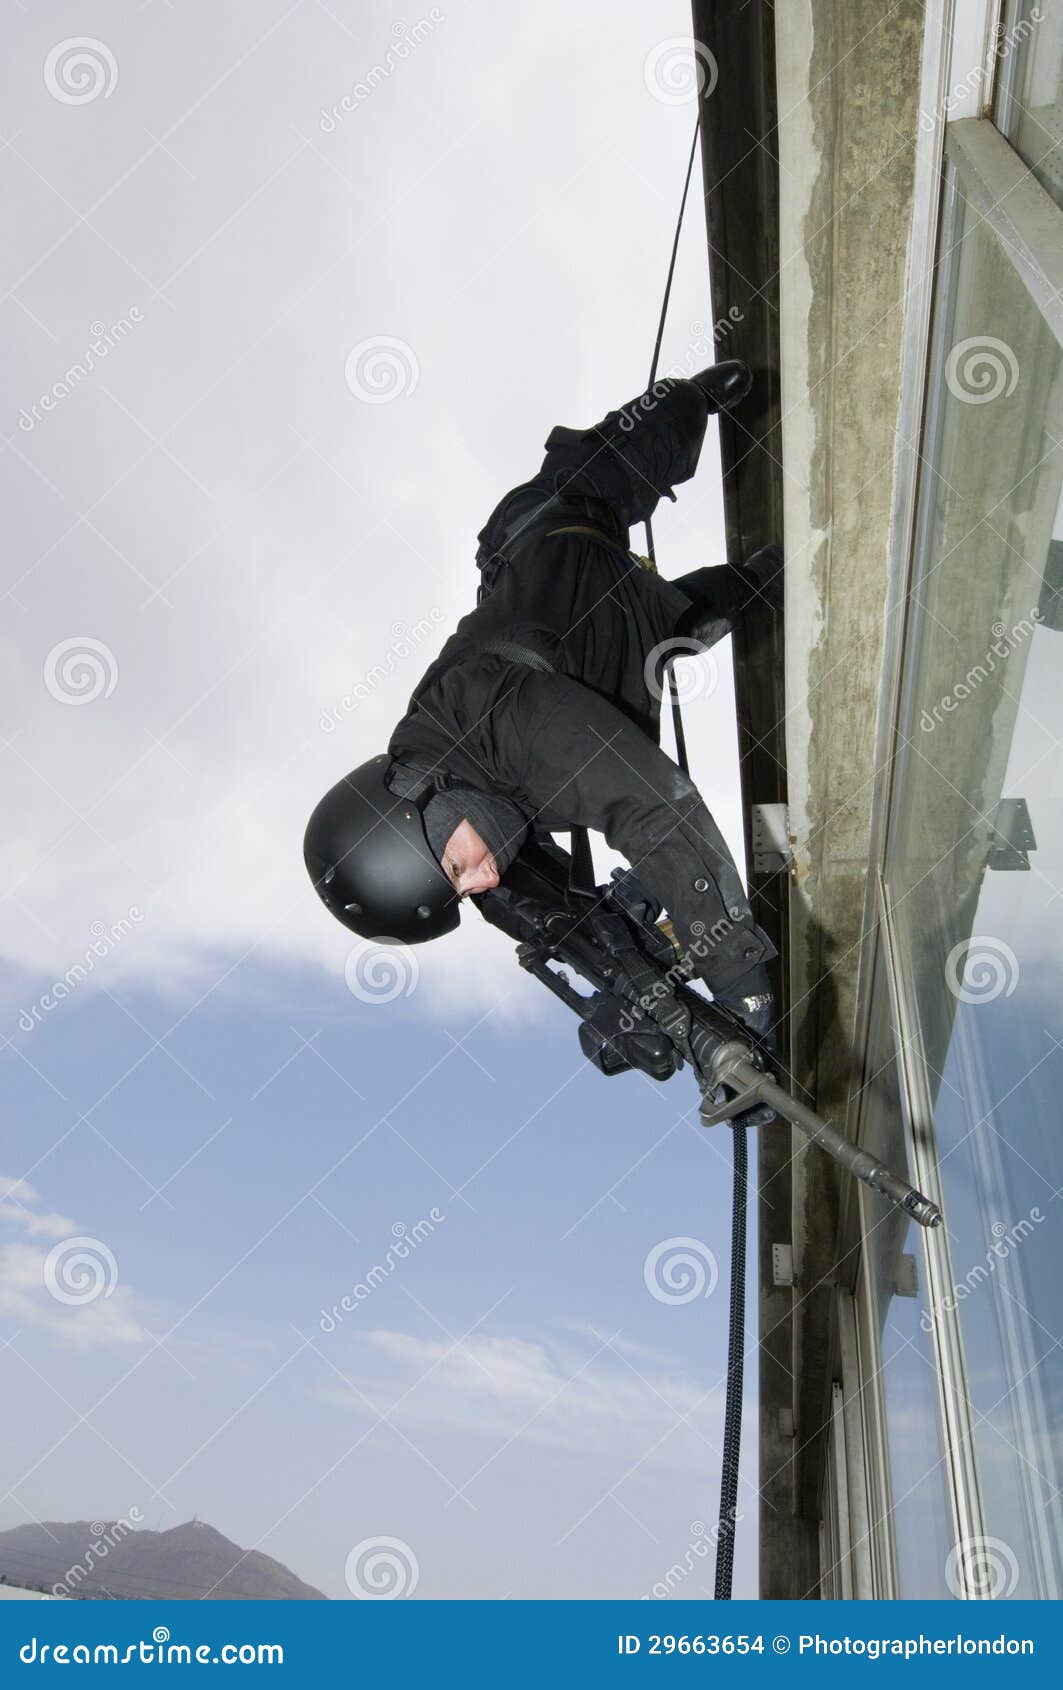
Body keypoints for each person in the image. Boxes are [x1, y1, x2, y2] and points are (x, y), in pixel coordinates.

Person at [304, 361, 783, 1041]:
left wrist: (740, 986)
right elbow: (535, 909)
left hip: (551, 538)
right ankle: (779, 570)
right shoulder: (466, 826)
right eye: (458, 892)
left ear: (425, 810)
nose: (475, 885)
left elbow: (649, 808)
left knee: (626, 452)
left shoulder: (489, 716)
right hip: (620, 644)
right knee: (704, 613)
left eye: (456, 872)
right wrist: (650, 1005)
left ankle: (692, 396)